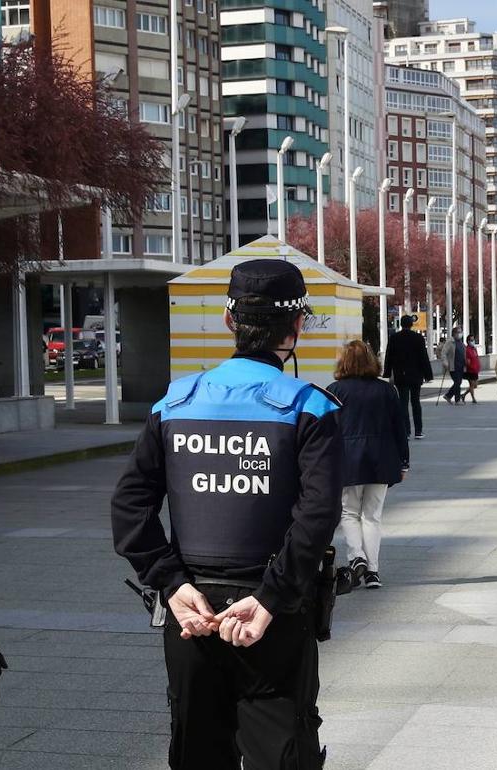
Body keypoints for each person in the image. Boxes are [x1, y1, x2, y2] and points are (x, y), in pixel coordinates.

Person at [111, 259, 339, 770]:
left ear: (229, 321)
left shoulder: (175, 402)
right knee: (281, 751)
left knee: (197, 752)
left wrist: (170, 584)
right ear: (297, 325)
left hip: (192, 611)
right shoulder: (310, 407)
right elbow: (317, 516)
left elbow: (129, 507)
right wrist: (271, 598)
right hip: (274, 616)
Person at [327, 341, 409, 590]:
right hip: (381, 459)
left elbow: (327, 432)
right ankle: (373, 571)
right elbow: (400, 428)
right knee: (372, 516)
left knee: (349, 513)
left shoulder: (335, 391)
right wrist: (404, 462)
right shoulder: (386, 391)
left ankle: (357, 558)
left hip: (347, 459)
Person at [383, 315, 433, 439]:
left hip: (401, 375)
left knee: (403, 403)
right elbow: (423, 357)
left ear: (401, 324)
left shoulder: (394, 338)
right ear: (411, 324)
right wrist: (428, 374)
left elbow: (389, 356)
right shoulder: (418, 338)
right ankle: (418, 431)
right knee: (416, 402)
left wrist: (387, 373)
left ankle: (406, 431)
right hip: (416, 376)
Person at [440, 326, 466, 404]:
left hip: (461, 366)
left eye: (461, 332)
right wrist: (445, 362)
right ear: (454, 333)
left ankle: (448, 395)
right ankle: (457, 400)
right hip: (453, 366)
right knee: (457, 382)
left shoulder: (461, 343)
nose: (460, 334)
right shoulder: (450, 342)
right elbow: (444, 353)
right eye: (458, 332)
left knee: (458, 382)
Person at [462, 335, 481, 403]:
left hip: (475, 369)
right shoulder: (467, 350)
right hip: (470, 370)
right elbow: (467, 361)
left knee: (474, 385)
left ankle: (464, 395)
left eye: (473, 340)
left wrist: (478, 366)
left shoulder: (474, 349)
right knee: (472, 385)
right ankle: (473, 399)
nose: (473, 341)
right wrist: (471, 367)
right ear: (468, 341)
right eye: (471, 340)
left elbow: (476, 358)